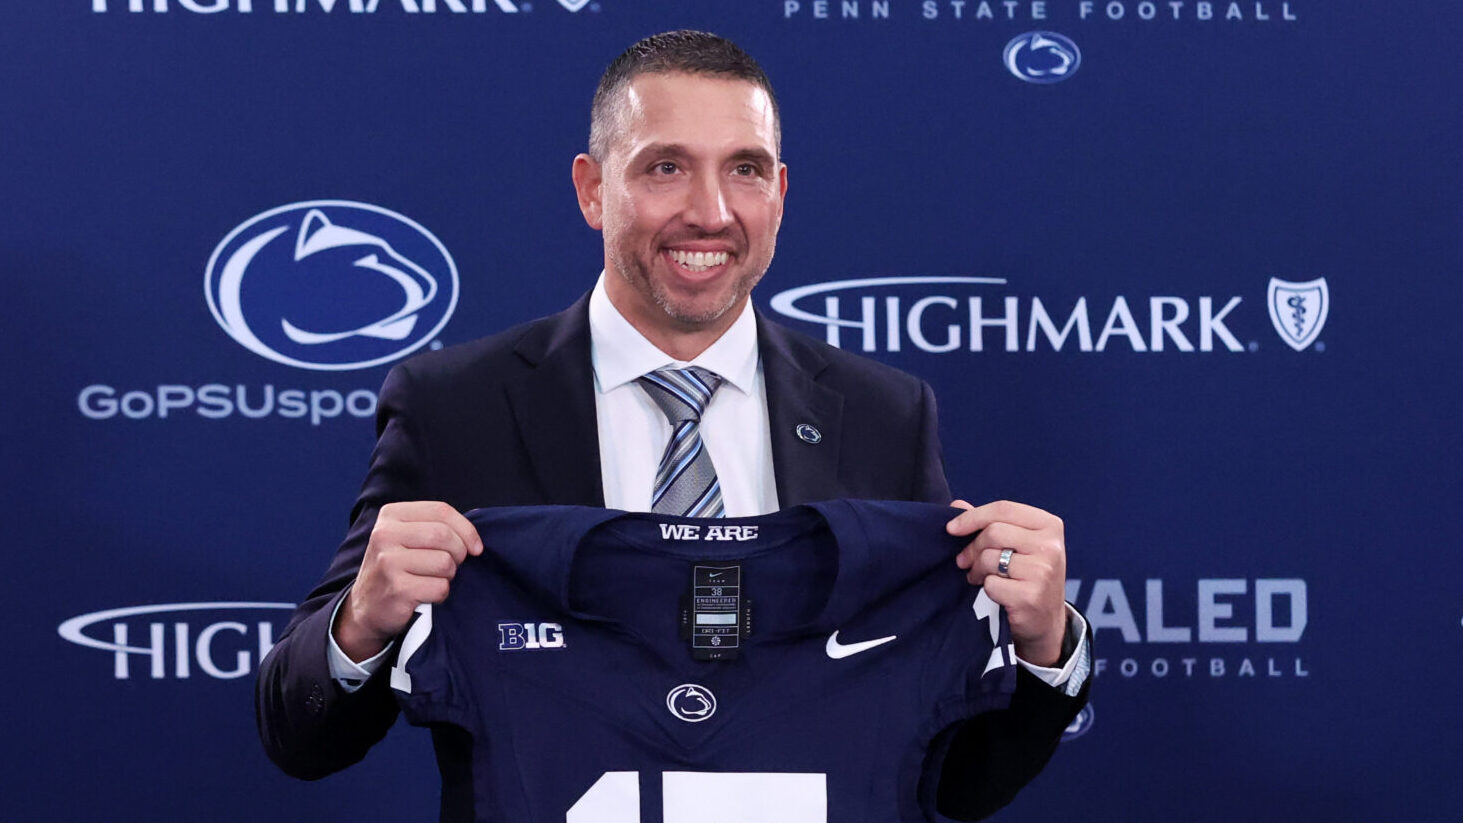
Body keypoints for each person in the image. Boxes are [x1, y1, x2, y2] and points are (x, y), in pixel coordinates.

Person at [256, 29, 1090, 821]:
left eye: (745, 170)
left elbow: (953, 781)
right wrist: (361, 623)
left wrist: (1047, 649)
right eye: (664, 168)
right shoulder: (455, 406)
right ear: (592, 188)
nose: (710, 211)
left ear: (780, 192)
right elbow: (301, 737)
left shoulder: (883, 414)